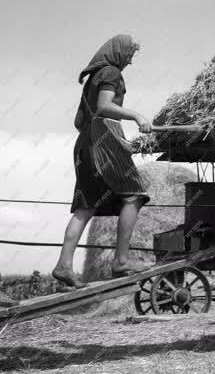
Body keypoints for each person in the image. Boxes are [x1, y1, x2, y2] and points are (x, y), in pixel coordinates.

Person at [52, 34, 153, 289]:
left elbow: (79, 121)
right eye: (129, 55)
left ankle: (64, 266)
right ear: (118, 52)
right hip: (102, 141)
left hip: (85, 143)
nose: (130, 61)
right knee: (134, 195)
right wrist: (136, 116)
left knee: (86, 205)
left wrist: (97, 139)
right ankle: (120, 261)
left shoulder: (93, 77)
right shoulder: (110, 72)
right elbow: (105, 106)